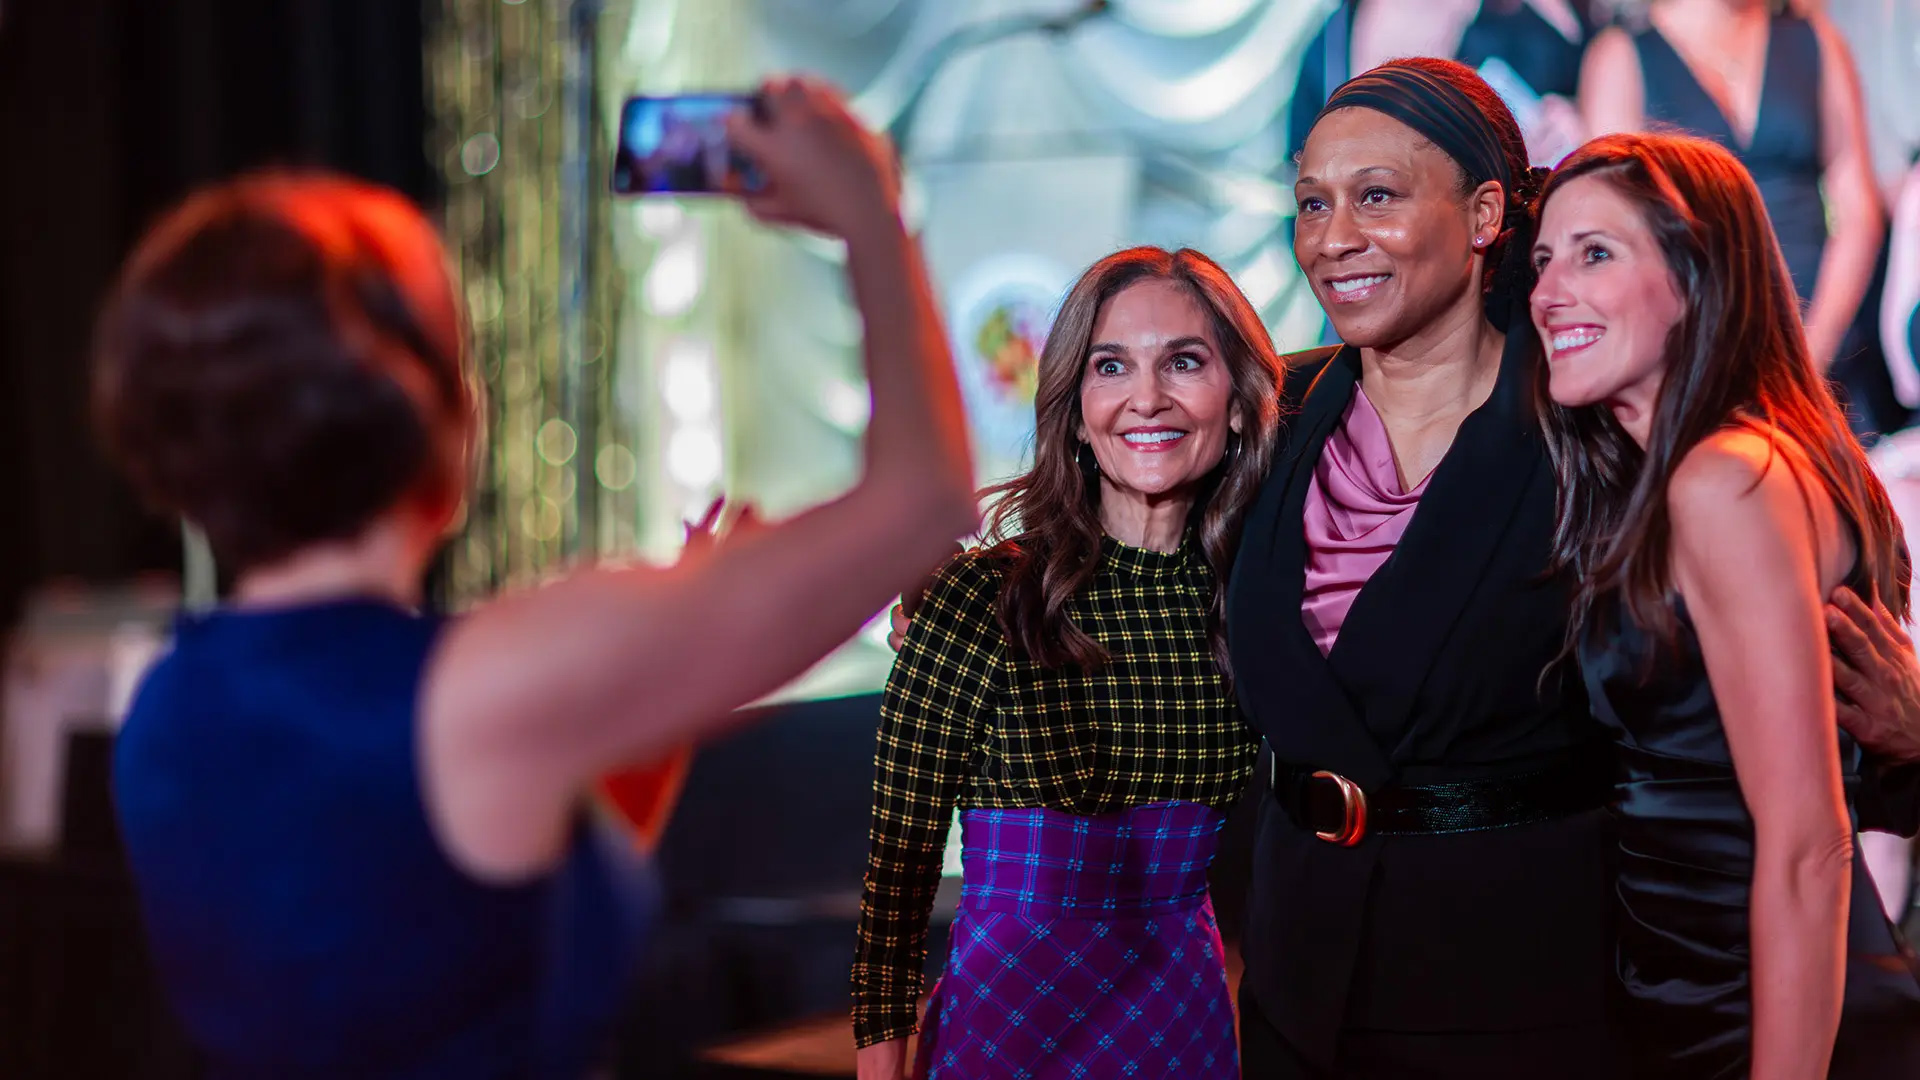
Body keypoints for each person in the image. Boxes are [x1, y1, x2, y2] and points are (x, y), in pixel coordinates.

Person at [890, 55, 1920, 1080]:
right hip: (1295, 984)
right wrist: (969, 600)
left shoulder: (1594, 424)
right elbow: (1115, 516)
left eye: (1375, 197)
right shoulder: (1266, 420)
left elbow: (1762, 742)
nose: (1334, 239)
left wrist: (1911, 733)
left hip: (1533, 997)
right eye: (1311, 203)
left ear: (1482, 216)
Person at [100, 77, 979, 1078]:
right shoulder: (478, 685)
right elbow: (924, 503)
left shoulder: (167, 710)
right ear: (426, 410)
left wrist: (669, 666)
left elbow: (499, 916)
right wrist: (869, 211)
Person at [1529, 128, 1920, 1077]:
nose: (1547, 293)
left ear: (1696, 277)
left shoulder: (1725, 479)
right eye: (1544, 260)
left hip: (1748, 1010)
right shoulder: (1741, 465)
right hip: (1693, 988)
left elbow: (1805, 849)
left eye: (1596, 254)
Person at [850, 247, 1284, 1080]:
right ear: (1078, 411)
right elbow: (896, 881)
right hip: (1004, 1039)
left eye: (1185, 363)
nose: (1146, 398)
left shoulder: (1255, 606)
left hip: (1180, 1033)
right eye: (1110, 365)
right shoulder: (980, 600)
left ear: (1237, 404)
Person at [1579, 0, 1882, 382]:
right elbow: (1612, 230)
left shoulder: (1814, 38)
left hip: (1823, 342)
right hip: (1693, 353)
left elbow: (1858, 211)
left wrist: (1810, 357)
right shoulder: (1620, 55)